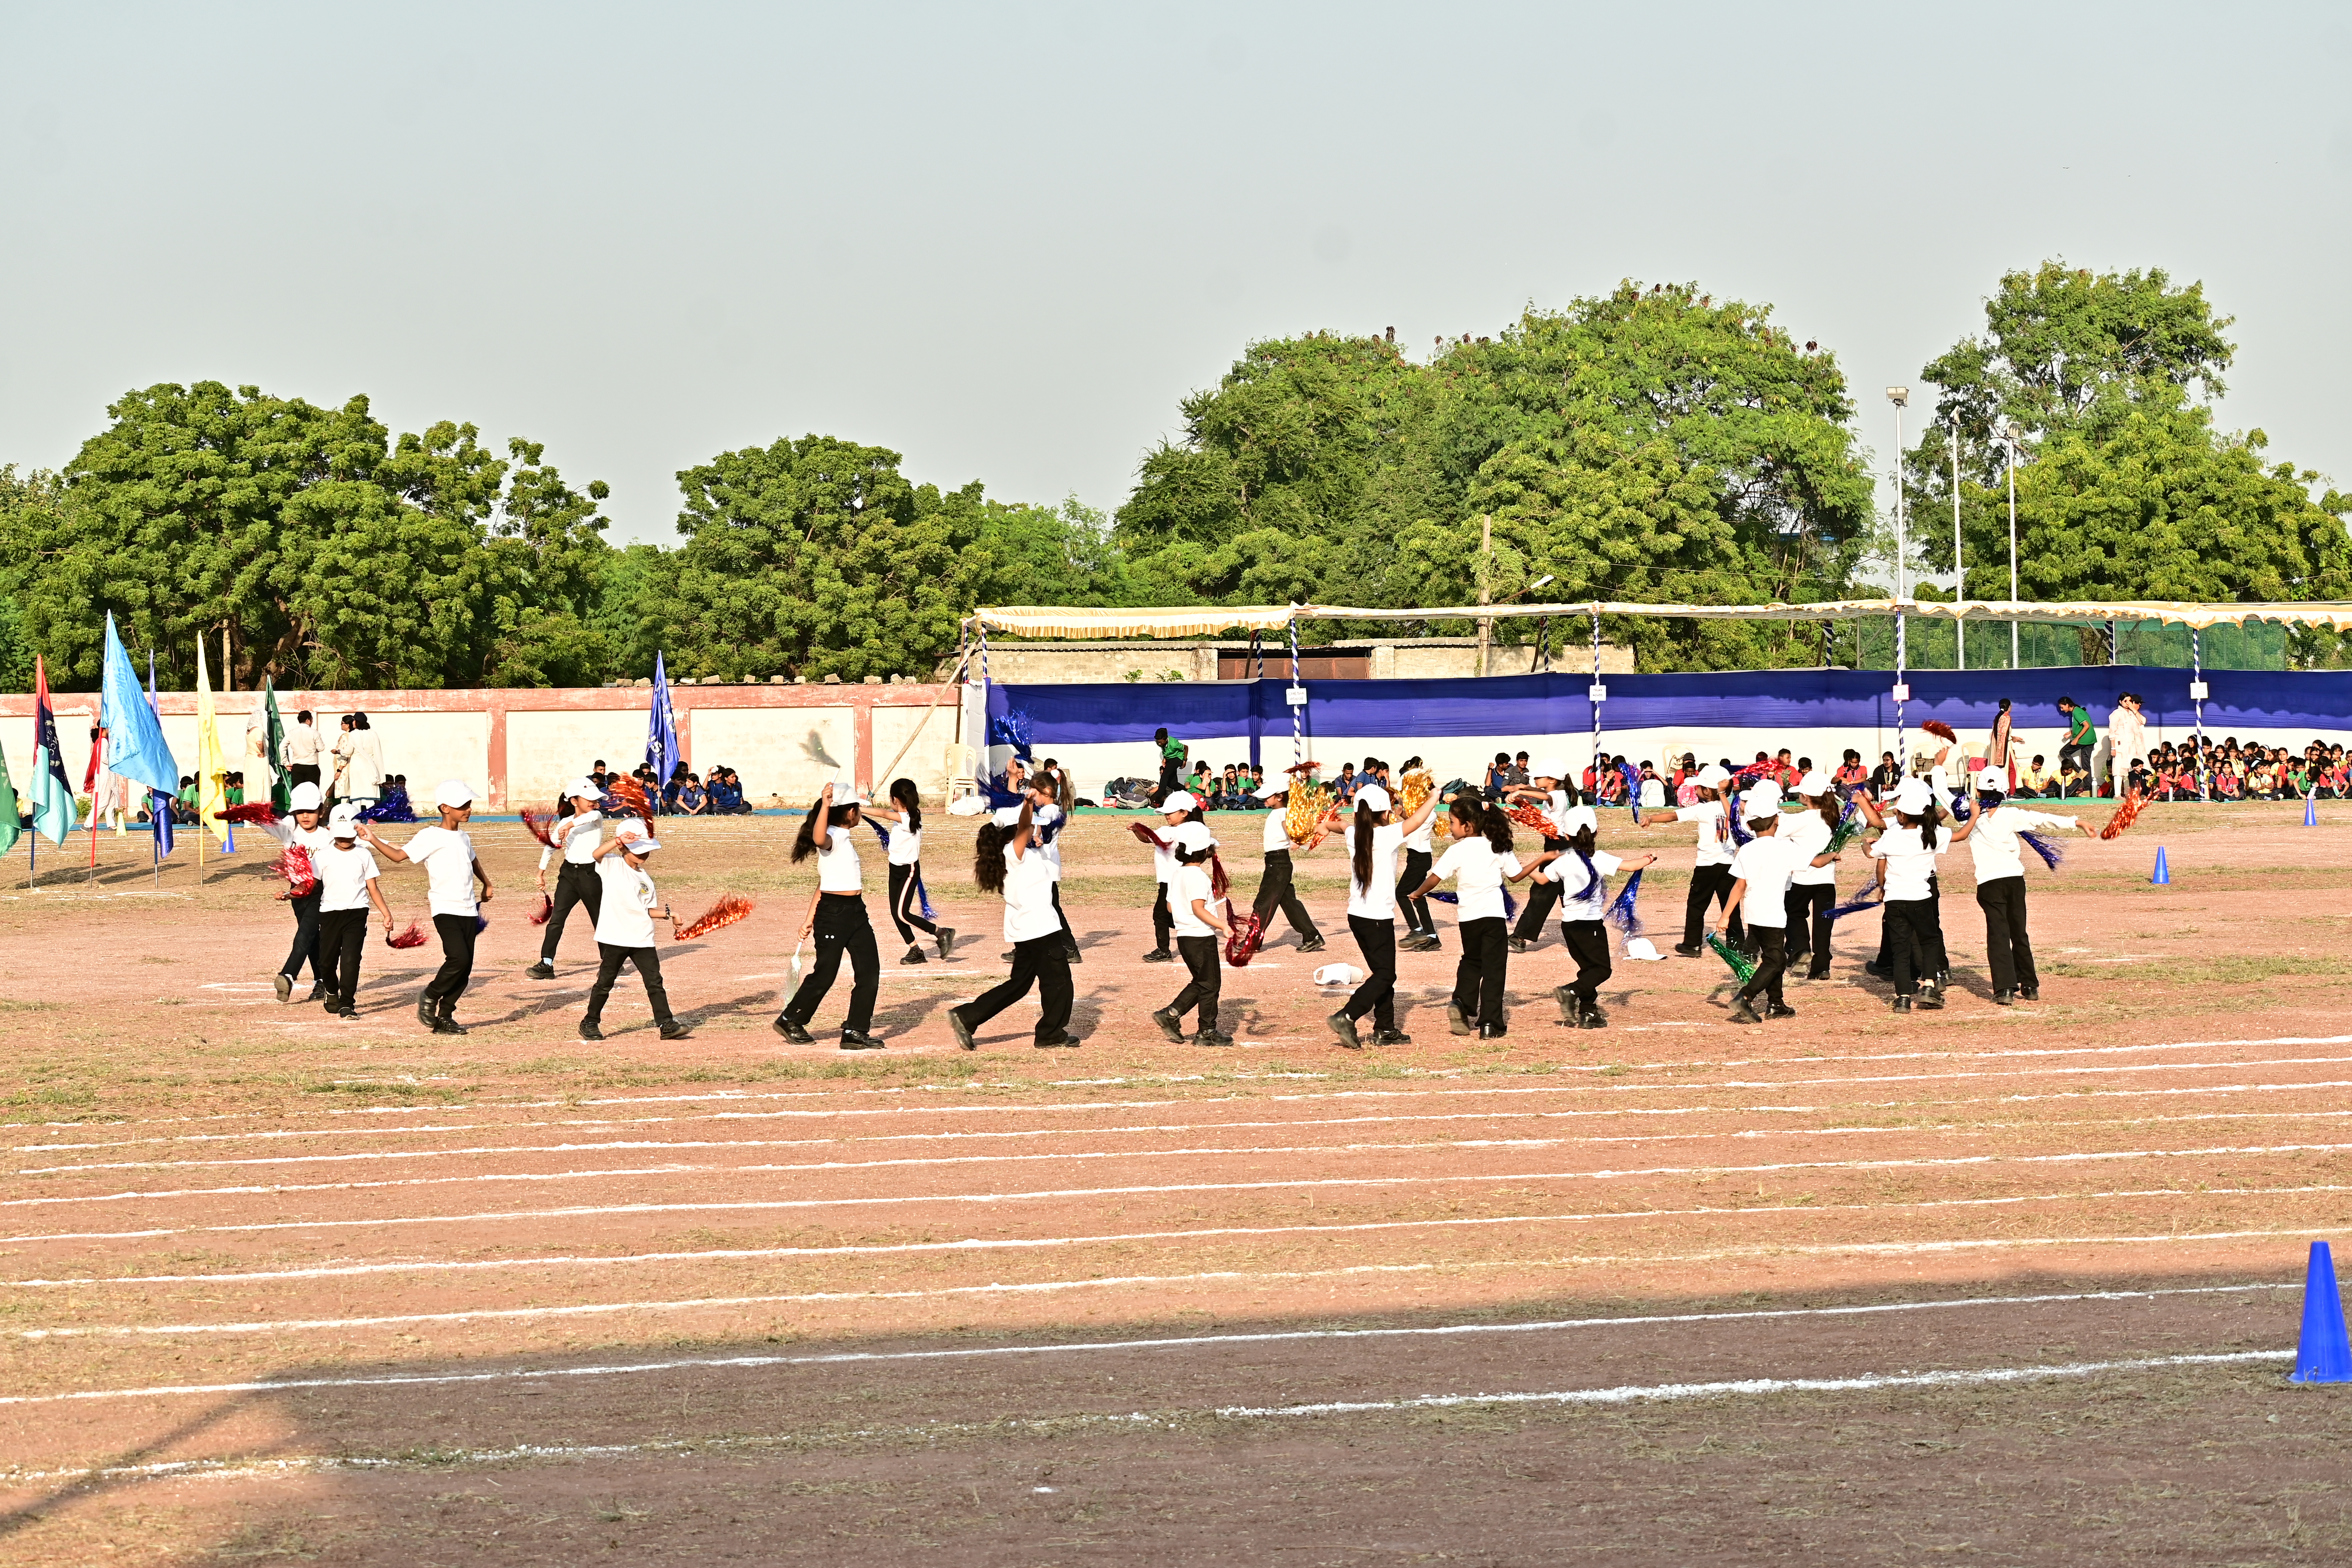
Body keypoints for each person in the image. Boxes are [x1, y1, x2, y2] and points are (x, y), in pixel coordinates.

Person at [1949, 766, 2093, 1005]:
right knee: (2019, 932)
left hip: (1989, 884)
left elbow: (1945, 795)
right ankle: (2029, 985)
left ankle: (2005, 989)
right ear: (2006, 790)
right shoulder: (2012, 814)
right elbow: (2043, 819)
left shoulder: (1971, 818)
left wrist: (1941, 767)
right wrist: (2077, 822)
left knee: (1998, 935)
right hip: (2015, 881)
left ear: (1977, 789)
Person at [359, 780, 492, 1034]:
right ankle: (430, 994)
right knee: (458, 958)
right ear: (445, 808)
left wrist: (486, 883)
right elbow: (399, 856)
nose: (469, 809)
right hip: (445, 909)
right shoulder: (431, 835)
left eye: (469, 804)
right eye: (462, 805)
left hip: (468, 909)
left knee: (465, 970)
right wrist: (373, 838)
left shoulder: (463, 836)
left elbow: (473, 860)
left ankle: (445, 1017)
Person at [1411, 794, 1548, 1039]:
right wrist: (1541, 859)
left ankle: (1462, 1003)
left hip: (1468, 918)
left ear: (1468, 825)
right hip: (1493, 916)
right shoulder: (1497, 847)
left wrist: (1418, 893)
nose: (1450, 827)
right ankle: (1489, 1023)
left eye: (1452, 822)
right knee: (1494, 968)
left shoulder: (1457, 850)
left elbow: (1435, 877)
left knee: (1472, 961)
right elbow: (1516, 876)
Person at [948, 797, 1078, 1050]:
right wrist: (1028, 805)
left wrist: (1036, 836)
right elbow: (1023, 829)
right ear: (1018, 830)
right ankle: (1050, 1034)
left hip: (1025, 929)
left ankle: (967, 1016)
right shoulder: (1013, 853)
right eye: (1033, 826)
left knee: (1019, 984)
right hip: (1040, 928)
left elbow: (1032, 844)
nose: (1037, 828)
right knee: (1059, 982)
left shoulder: (1015, 853)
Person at [1325, 781, 1440, 1050]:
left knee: (1381, 973)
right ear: (1385, 814)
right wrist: (1434, 797)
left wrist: (1324, 826)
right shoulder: (1386, 835)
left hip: (1357, 916)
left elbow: (1339, 825)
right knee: (1386, 975)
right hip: (1378, 919)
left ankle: (1385, 1028)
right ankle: (1348, 1016)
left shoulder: (1353, 833)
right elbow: (1416, 821)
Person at [774, 783, 884, 1050]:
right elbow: (819, 838)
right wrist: (825, 804)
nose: (860, 813)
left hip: (856, 912)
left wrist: (808, 918)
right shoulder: (831, 837)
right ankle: (790, 1020)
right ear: (849, 814)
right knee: (826, 973)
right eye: (857, 809)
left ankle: (856, 1031)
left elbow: (823, 884)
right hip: (834, 915)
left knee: (869, 971)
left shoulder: (844, 838)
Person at [1720, 787, 1835, 1024]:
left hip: (1752, 913)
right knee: (1776, 961)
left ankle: (1776, 1003)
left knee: (1774, 957)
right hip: (1773, 914)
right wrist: (1833, 855)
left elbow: (1739, 887)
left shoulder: (1746, 850)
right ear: (1777, 821)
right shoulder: (1785, 848)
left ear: (1750, 826)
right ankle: (1745, 996)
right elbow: (1816, 863)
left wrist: (1725, 916)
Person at [577, 818, 690, 1042]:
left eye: (647, 851)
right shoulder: (611, 864)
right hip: (616, 936)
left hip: (642, 937)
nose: (643, 855)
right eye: (638, 851)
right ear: (623, 848)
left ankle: (666, 1024)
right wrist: (617, 840)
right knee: (606, 981)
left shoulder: (645, 878)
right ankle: (590, 1021)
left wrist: (670, 915)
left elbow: (646, 910)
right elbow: (595, 855)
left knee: (654, 981)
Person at [1545, 803, 1652, 1030]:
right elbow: (1630, 866)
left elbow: (1543, 879)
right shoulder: (1599, 857)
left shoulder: (1563, 860)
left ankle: (1588, 1013)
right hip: (1590, 925)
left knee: (1588, 969)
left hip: (1569, 926)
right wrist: (1648, 859)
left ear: (1566, 835)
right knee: (1602, 970)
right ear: (1597, 832)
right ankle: (1570, 992)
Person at [1861, 778, 1946, 1013]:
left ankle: (1902, 998)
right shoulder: (1932, 835)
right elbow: (1957, 835)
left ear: (1901, 815)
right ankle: (1930, 983)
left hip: (1895, 900)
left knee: (1900, 950)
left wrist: (1865, 845)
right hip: (1921, 898)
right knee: (1929, 940)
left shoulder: (1891, 836)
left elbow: (1873, 855)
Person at [310, 803, 395, 1019]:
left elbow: (372, 888)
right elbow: (311, 886)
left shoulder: (364, 855)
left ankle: (348, 1003)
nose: (346, 840)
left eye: (349, 836)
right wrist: (292, 892)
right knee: (326, 962)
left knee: (350, 960)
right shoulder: (322, 856)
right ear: (331, 831)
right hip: (329, 914)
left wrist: (386, 914)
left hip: (357, 913)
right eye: (341, 836)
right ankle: (331, 990)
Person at [1152, 834, 1235, 1047]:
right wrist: (1222, 925)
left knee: (1202, 982)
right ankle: (1206, 1032)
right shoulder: (1198, 877)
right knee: (1210, 986)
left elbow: (1170, 907)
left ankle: (1171, 1014)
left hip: (1184, 937)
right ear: (1204, 853)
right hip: (1200, 937)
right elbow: (1198, 909)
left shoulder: (1177, 873)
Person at [262, 781, 335, 1005]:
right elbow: (265, 822)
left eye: (311, 812)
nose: (305, 816)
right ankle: (323, 981)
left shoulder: (328, 836)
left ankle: (288, 975)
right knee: (312, 938)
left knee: (305, 935)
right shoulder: (288, 832)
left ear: (321, 812)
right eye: (300, 812)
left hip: (319, 891)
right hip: (296, 891)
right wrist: (244, 812)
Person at [526, 779, 606, 980]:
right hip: (569, 875)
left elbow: (593, 815)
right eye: (590, 799)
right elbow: (551, 846)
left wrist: (570, 824)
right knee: (557, 920)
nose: (595, 802)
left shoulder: (595, 817)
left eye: (596, 799)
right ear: (574, 801)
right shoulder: (564, 823)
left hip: (591, 874)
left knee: (600, 919)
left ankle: (610, 961)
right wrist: (540, 872)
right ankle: (546, 963)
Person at [870, 777, 956, 965]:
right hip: (895, 870)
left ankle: (942, 933)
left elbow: (883, 814)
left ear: (896, 800)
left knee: (902, 913)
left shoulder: (908, 818)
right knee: (897, 913)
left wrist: (860, 809)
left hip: (909, 871)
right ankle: (916, 951)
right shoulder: (906, 815)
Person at [1661, 764, 1742, 957]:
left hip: (1706, 866)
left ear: (1706, 791)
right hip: (1729, 865)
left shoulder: (1701, 809)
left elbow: (1674, 816)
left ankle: (1692, 944)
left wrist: (1650, 819)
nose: (1695, 790)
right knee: (1731, 906)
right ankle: (1737, 945)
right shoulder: (1733, 810)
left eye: (1698, 787)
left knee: (1697, 906)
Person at [1503, 758, 1575, 953]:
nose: (1535, 779)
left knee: (1542, 892)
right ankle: (1580, 931)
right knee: (1564, 893)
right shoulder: (1555, 794)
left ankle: (1519, 937)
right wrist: (1517, 804)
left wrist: (1520, 791)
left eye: (1539, 777)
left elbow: (1546, 798)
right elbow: (1540, 815)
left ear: (1552, 780)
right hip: (1556, 845)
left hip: (1559, 847)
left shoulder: (1558, 795)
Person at [1250, 778, 1325, 954]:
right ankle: (1312, 936)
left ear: (1279, 796)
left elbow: (1289, 827)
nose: (1265, 799)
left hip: (1277, 863)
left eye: (1268, 796)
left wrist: (1296, 840)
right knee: (1290, 903)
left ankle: (1252, 942)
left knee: (1264, 902)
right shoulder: (1280, 812)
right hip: (1278, 863)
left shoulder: (1281, 813)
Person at [1782, 772, 1841, 981]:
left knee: (1793, 913)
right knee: (1824, 924)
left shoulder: (1800, 820)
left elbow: (1774, 833)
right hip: (1827, 880)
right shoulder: (1834, 817)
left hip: (1802, 878)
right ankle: (1821, 967)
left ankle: (1801, 949)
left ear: (1806, 797)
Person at [1141, 791, 1212, 962]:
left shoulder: (1169, 832)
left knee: (1161, 915)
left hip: (1170, 881)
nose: (1166, 815)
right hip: (1182, 878)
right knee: (1172, 913)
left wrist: (1138, 829)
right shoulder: (1196, 829)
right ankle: (1197, 927)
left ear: (1184, 813)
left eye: (1170, 812)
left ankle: (1164, 950)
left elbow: (1147, 838)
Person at [1395, 758, 1440, 953]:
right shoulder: (1422, 811)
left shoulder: (1426, 812)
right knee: (1417, 897)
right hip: (1418, 857)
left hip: (1419, 859)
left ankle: (1417, 930)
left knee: (1401, 894)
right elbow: (1412, 821)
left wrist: (1401, 813)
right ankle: (1432, 937)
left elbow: (1413, 822)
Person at [332, 713, 384, 809]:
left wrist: (339, 752)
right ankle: (370, 818)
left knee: (357, 795)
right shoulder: (373, 734)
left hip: (357, 767)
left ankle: (357, 818)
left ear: (357, 722)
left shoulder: (354, 734)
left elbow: (348, 752)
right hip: (371, 767)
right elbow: (377, 752)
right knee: (370, 794)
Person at [2106, 692, 2147, 798]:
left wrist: (2134, 709)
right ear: (2121, 702)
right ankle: (2117, 794)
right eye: (2125, 701)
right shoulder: (2117, 713)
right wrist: (2113, 747)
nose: (2127, 703)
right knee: (2119, 769)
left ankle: (2128, 793)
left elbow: (2143, 721)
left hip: (2133, 747)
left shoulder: (2132, 714)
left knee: (2130, 770)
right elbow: (2112, 732)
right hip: (2120, 746)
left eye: (2129, 701)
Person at [2057, 697, 2096, 793]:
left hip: (2084, 740)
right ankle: (2088, 789)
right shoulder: (2078, 710)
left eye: (2062, 708)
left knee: (2064, 752)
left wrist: (2076, 739)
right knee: (2086, 764)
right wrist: (2072, 732)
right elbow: (2081, 725)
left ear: (2067, 705)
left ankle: (2079, 772)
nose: (2062, 710)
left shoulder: (2076, 712)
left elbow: (2087, 726)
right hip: (2090, 740)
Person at [283, 709, 323, 795]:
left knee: (298, 793)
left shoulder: (292, 732)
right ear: (308, 720)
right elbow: (321, 748)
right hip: (311, 766)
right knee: (312, 793)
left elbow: (282, 747)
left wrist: (286, 762)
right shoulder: (314, 733)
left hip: (298, 766)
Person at [1152, 727, 1187, 802]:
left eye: (1161, 742)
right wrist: (1165, 758)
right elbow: (1166, 750)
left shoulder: (1174, 743)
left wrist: (1185, 761)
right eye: (1158, 742)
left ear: (1166, 739)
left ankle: (1158, 797)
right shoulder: (1159, 742)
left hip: (1178, 758)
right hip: (1170, 759)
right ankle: (1186, 791)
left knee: (1165, 774)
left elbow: (1186, 748)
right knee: (1172, 784)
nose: (1159, 743)